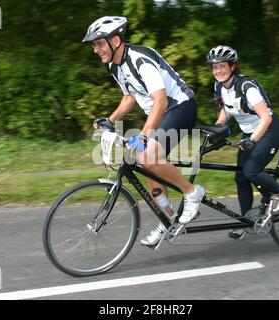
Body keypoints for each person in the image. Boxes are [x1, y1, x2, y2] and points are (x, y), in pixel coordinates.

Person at [82, 16, 205, 247]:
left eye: (99, 43)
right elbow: (130, 97)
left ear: (115, 40)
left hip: (179, 107)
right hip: (161, 112)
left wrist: (144, 136)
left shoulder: (140, 60)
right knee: (144, 162)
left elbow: (160, 102)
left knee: (147, 153)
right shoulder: (115, 66)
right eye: (94, 45)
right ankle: (168, 216)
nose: (95, 49)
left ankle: (191, 192)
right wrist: (110, 119)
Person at [206, 45, 279, 239]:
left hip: (269, 130)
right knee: (241, 177)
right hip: (249, 133)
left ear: (232, 67)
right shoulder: (219, 87)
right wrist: (217, 128)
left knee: (251, 170)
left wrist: (252, 140)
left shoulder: (246, 87)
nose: (218, 71)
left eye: (222, 66)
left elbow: (265, 117)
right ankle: (246, 221)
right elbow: (226, 110)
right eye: (214, 67)